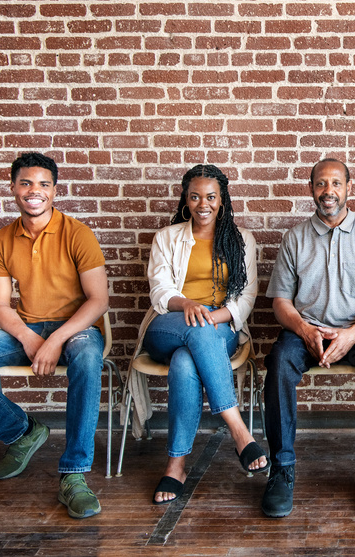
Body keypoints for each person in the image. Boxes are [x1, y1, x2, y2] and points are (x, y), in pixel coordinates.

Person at [0, 152, 109, 518]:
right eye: (26, 183)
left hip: (75, 329)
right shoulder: (2, 240)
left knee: (89, 358)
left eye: (44, 185)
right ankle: (23, 431)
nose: (35, 191)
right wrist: (30, 339)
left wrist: (56, 338)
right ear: (13, 188)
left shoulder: (78, 234)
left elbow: (98, 301)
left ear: (55, 191)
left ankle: (74, 475)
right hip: (25, 328)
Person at [261, 158, 355, 518]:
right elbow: (281, 302)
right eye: (321, 184)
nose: (329, 191)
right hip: (305, 329)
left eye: (336, 183)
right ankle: (281, 468)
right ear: (311, 189)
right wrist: (306, 330)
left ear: (349, 187)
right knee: (278, 364)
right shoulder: (294, 238)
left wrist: (352, 334)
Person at [134, 164, 266, 504]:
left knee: (184, 362)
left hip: (219, 327)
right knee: (195, 338)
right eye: (195, 197)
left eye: (210, 197)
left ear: (222, 200)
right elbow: (160, 292)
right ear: (186, 199)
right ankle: (239, 431)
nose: (202, 204)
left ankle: (175, 464)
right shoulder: (167, 237)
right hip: (169, 323)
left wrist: (211, 316)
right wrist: (187, 304)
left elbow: (245, 298)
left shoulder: (242, 241)